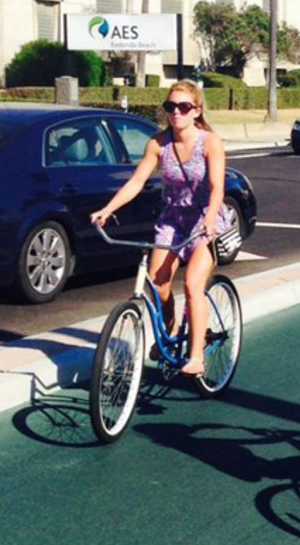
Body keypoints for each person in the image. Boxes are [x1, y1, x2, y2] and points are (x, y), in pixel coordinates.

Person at [91, 80, 229, 377]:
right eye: (170, 107)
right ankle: (170, 331)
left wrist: (210, 218)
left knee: (193, 284)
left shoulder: (210, 142)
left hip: (205, 220)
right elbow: (137, 181)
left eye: (183, 107)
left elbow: (218, 187)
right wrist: (108, 209)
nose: (176, 113)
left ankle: (196, 357)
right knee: (158, 282)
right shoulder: (158, 143)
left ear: (196, 111)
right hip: (173, 220)